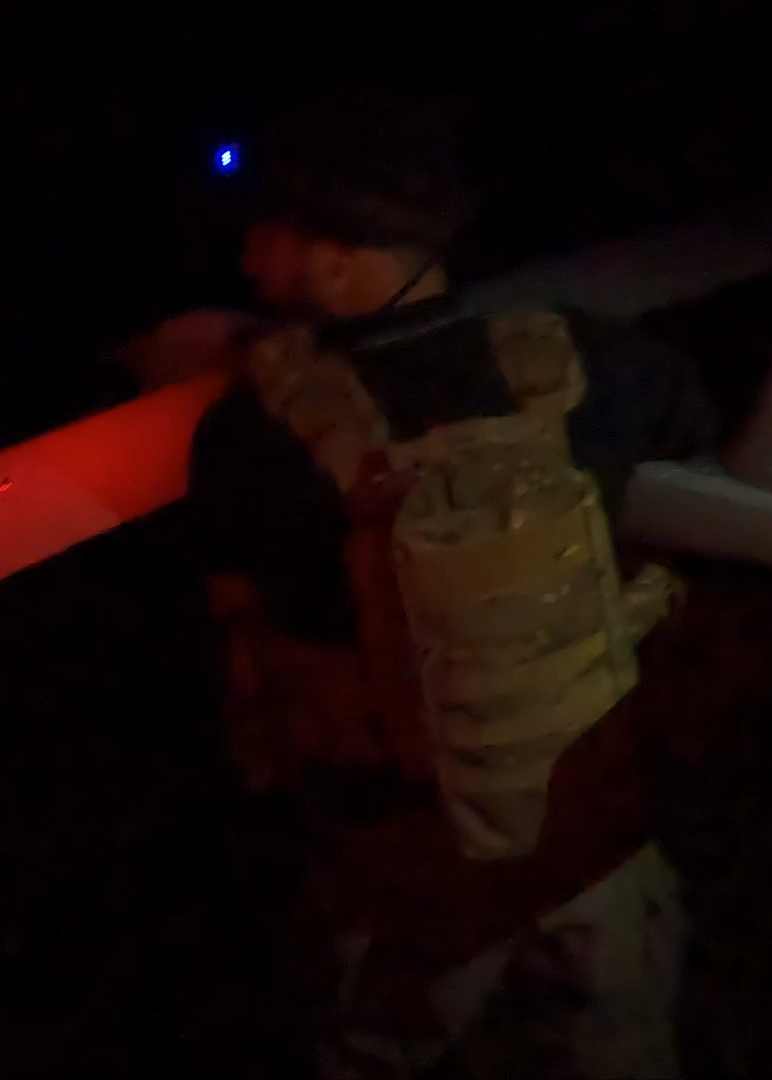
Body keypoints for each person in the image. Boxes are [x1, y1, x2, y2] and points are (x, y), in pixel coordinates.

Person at [186, 94, 718, 1079]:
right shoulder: (605, 367)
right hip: (591, 847)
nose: (250, 259)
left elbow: (257, 664)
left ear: (334, 256)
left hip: (412, 882)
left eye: (268, 233)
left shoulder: (249, 437)